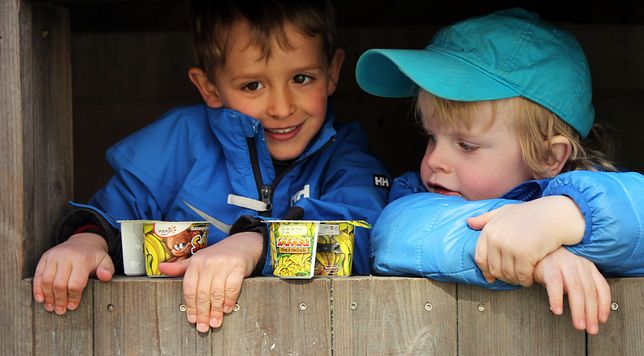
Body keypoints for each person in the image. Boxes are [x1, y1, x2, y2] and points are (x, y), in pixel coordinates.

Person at [33, 0, 391, 333]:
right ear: (209, 87)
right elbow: (116, 210)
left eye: (301, 78)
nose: (282, 107)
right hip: (174, 349)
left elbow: (363, 237)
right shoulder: (182, 141)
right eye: (253, 85)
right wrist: (87, 240)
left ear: (332, 72)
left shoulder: (345, 157)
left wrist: (257, 244)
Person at [355, 8, 644, 334]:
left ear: (549, 155)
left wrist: (565, 217)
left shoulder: (594, 188)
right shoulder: (417, 193)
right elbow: (394, 232)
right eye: (431, 137)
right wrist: (524, 248)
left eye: (466, 145)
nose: (434, 161)